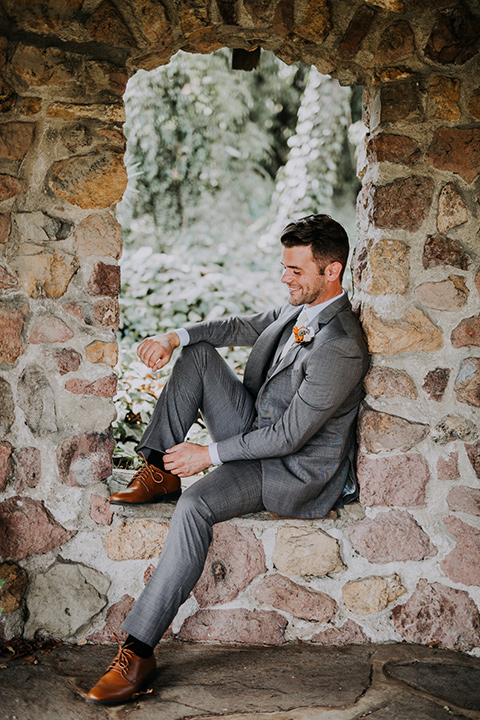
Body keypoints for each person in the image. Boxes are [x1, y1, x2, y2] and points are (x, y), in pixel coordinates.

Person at [87, 214, 369, 705]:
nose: (285, 278)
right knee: (196, 355)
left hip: (291, 469)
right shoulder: (297, 310)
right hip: (257, 432)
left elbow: (288, 436)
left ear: (333, 272)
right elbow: (239, 325)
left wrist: (207, 455)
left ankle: (138, 648)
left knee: (195, 505)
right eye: (284, 267)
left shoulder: (340, 345)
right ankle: (157, 469)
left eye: (295, 271)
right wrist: (174, 336)